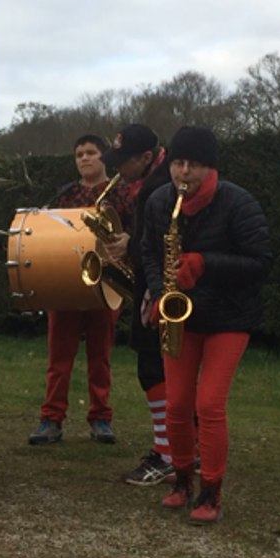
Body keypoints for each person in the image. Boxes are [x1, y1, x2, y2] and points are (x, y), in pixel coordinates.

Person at [141, 125, 272, 524]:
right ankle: (182, 480)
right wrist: (157, 290)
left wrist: (205, 263)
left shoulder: (237, 203)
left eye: (194, 166)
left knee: (209, 404)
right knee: (178, 405)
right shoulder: (160, 201)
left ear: (209, 167)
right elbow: (147, 249)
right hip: (182, 316)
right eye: (179, 164)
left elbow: (261, 262)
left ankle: (211, 489)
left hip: (229, 317)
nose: (184, 173)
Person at [28, 135, 131, 446]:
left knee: (100, 355)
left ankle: (100, 418)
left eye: (91, 153)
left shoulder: (122, 194)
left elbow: (133, 233)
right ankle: (51, 419)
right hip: (66, 282)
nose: (85, 159)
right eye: (79, 155)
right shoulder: (65, 195)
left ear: (104, 157)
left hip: (105, 284)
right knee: (59, 357)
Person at [99, 124, 177, 485]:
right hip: (161, 287)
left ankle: (167, 453)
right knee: (170, 370)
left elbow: (156, 242)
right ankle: (181, 449)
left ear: (146, 158)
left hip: (157, 290)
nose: (117, 170)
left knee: (153, 368)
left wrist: (128, 246)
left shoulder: (157, 187)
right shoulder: (160, 179)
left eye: (123, 162)